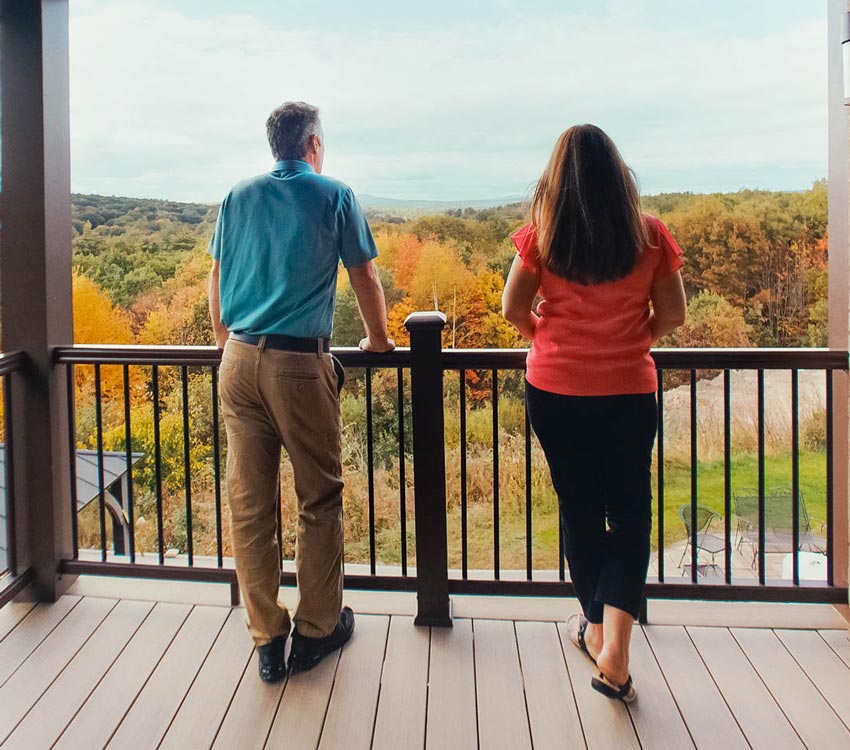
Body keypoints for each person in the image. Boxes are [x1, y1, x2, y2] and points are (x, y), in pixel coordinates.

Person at [208, 101, 394, 682]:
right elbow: (363, 275)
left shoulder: (237, 197)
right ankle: (317, 630)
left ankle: (267, 638)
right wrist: (380, 341)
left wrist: (224, 341)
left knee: (249, 504)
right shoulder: (334, 195)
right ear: (313, 145)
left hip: (237, 359)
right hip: (297, 363)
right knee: (318, 497)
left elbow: (215, 277)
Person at [502, 124, 686, 702]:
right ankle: (616, 648)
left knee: (579, 508)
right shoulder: (650, 235)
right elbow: (674, 314)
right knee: (631, 512)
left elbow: (512, 309)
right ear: (618, 174)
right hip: (628, 393)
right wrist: (632, 342)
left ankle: (599, 633)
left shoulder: (544, 238)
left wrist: (550, 344)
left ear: (557, 180)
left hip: (555, 394)